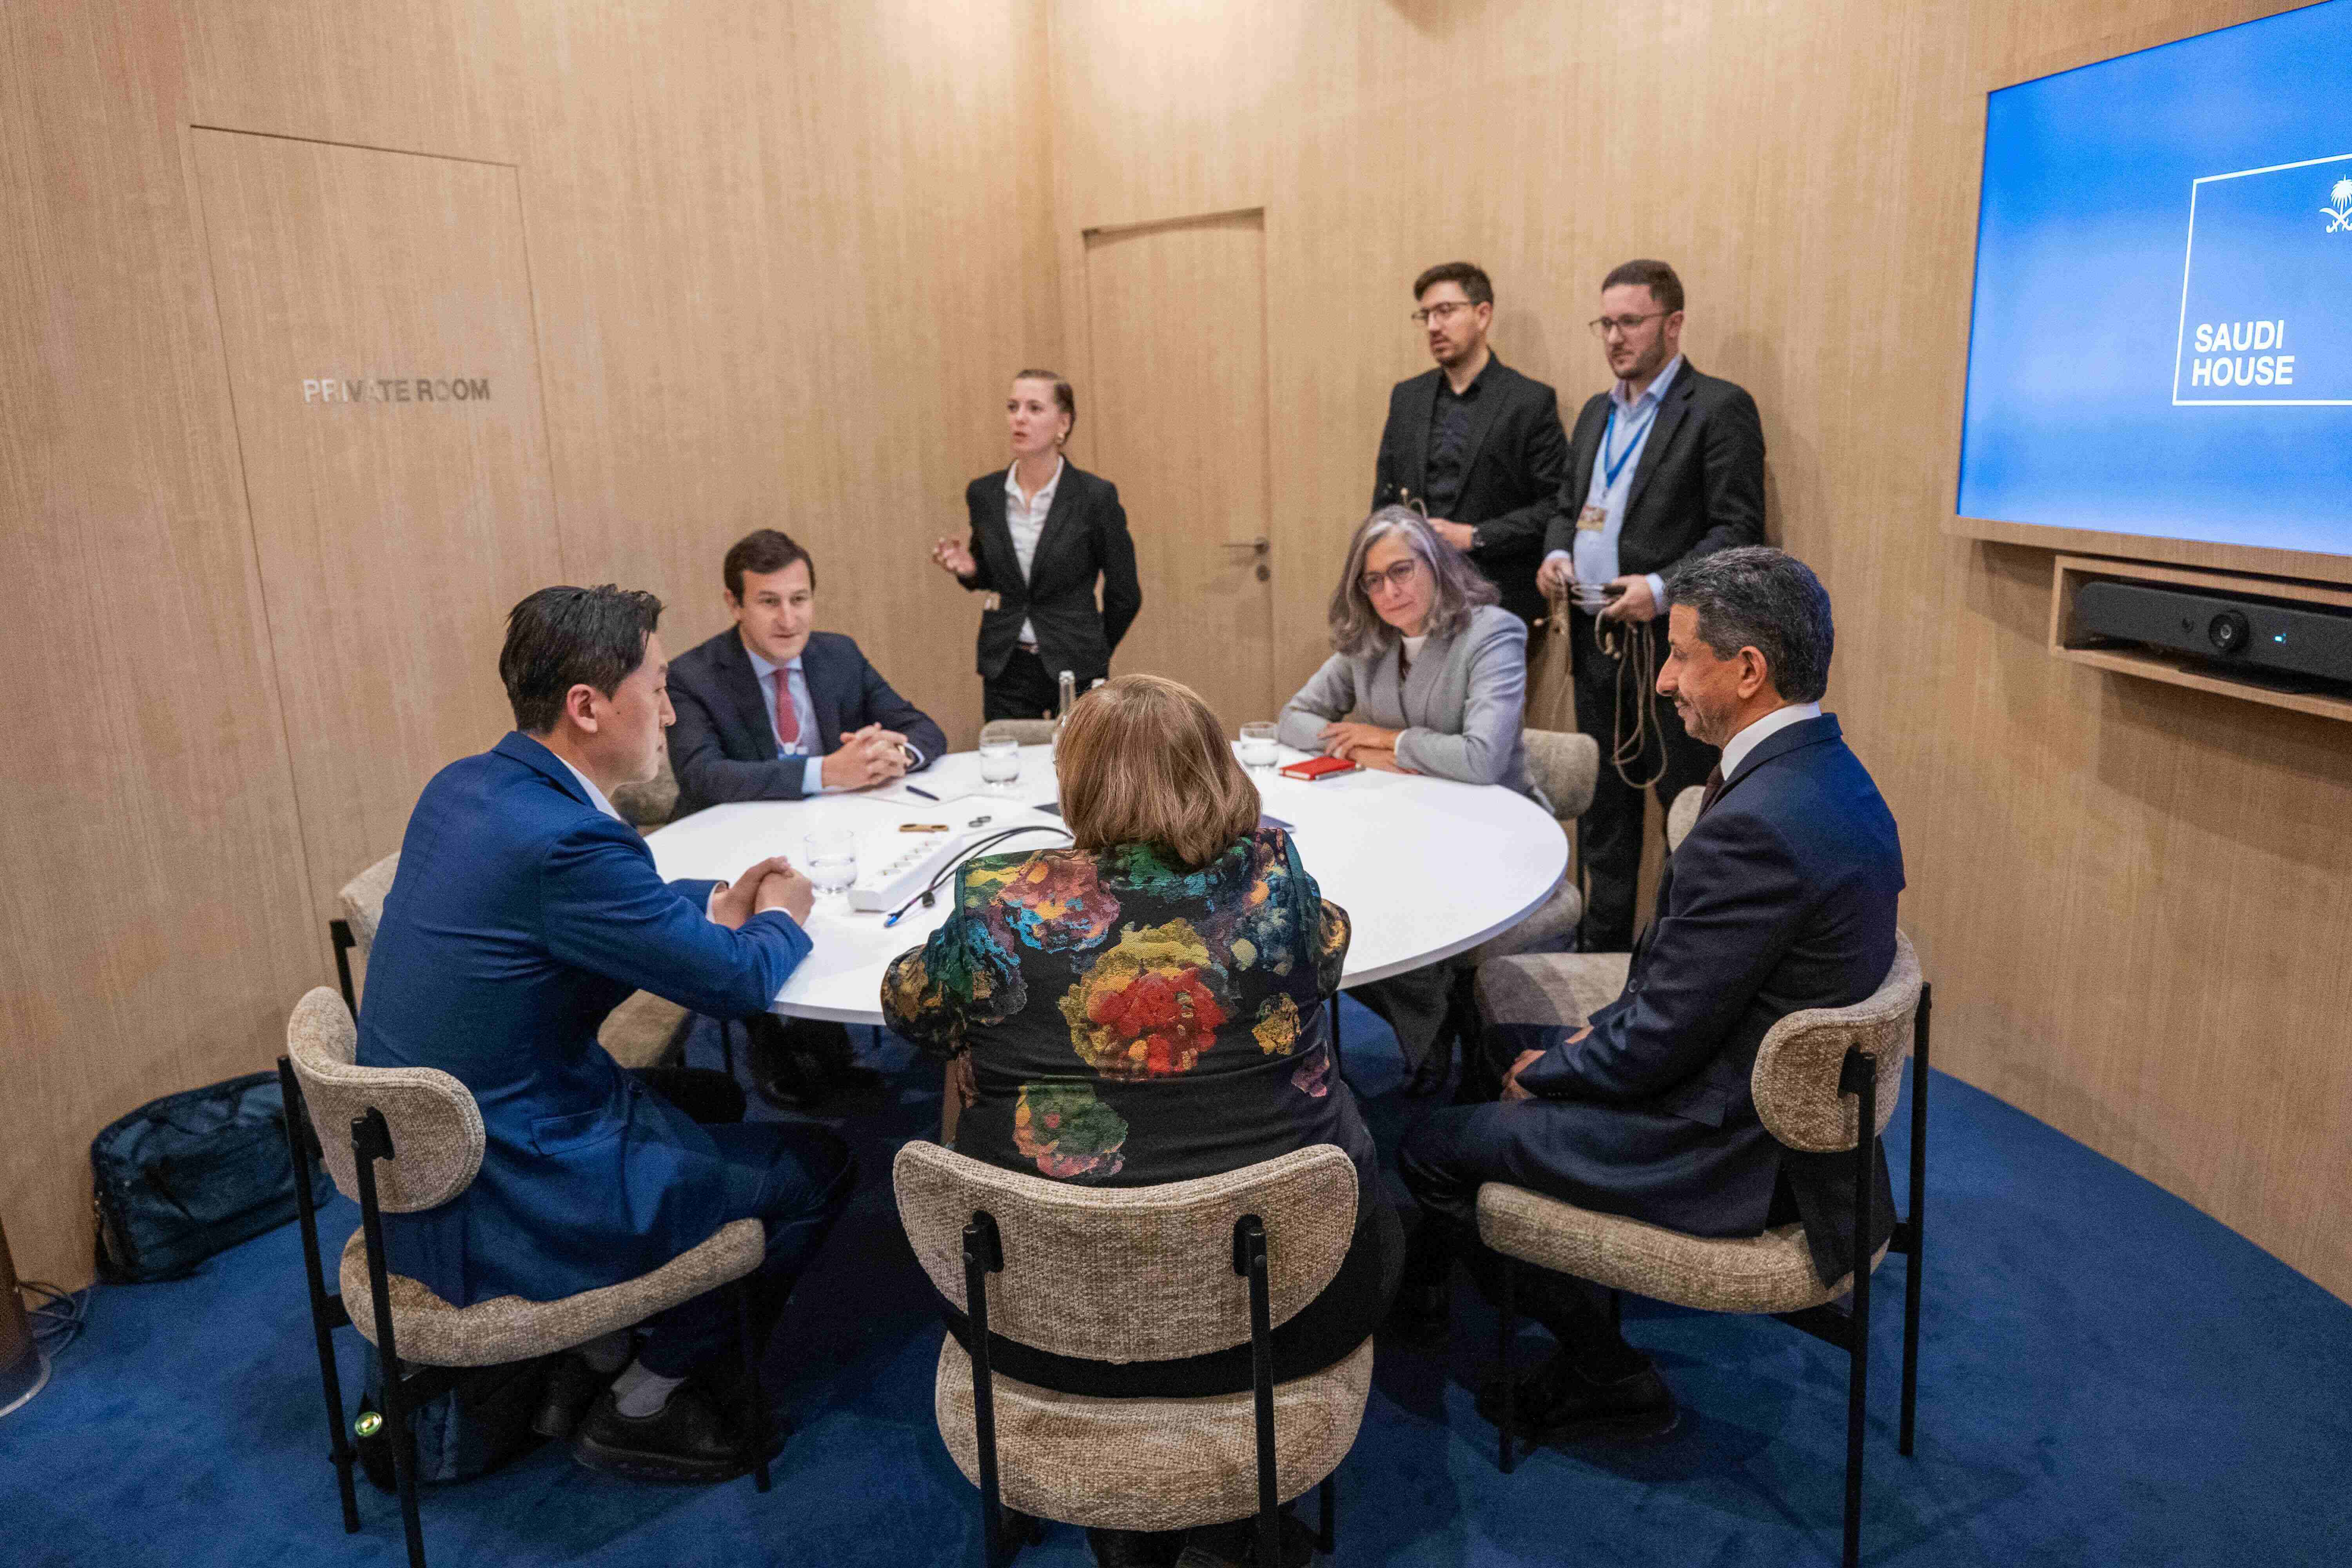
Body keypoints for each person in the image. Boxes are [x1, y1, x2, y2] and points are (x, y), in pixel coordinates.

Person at [884, 674, 1398, 1568]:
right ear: (1219, 772)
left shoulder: (1001, 901)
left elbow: (909, 1008)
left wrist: (980, 1028)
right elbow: (1330, 954)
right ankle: (1221, 1523)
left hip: (1039, 1317)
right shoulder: (1275, 877)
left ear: (1076, 782)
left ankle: (1138, 1524)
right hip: (1286, 1303)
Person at [1394, 547, 1903, 1447]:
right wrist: (1573, 1048)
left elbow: (1656, 1043)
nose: (1664, 680)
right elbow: (1690, 996)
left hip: (1722, 1146)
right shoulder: (1833, 777)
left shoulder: (1759, 825)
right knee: (1493, 1031)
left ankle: (1607, 1370)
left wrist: (1551, 1071)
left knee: (1426, 1144)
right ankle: (1477, 1260)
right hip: (1753, 1095)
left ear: (1748, 670)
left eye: (1679, 655)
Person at [357, 585, 857, 1484]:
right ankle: (646, 1395)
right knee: (818, 1167)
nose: (669, 711)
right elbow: (738, 984)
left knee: (710, 1094)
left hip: (420, 1165)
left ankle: (605, 1345)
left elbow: (589, 912)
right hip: (508, 1186)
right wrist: (783, 914)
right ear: (587, 706)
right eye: (657, 687)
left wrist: (714, 901)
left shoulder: (467, 786)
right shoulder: (571, 843)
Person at [1534, 259, 1766, 952]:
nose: (1614, 337)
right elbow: (1567, 506)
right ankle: (1600, 955)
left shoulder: (1718, 408)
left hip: (1674, 650)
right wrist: (1556, 551)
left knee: (1684, 811)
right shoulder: (1597, 411)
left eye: (1630, 322)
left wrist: (1661, 589)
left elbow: (1738, 530)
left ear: (1673, 324)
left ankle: (1674, 963)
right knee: (1604, 810)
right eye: (1605, 323)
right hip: (1596, 639)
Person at [1277, 505, 1532, 1093]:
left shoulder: (1492, 633)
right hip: (1401, 821)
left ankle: (1436, 1025)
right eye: (1374, 580)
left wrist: (1385, 739)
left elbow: (1482, 759)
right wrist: (1361, 750)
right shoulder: (1370, 641)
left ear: (1436, 565)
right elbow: (1293, 718)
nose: (1390, 592)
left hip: (1490, 829)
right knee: (1328, 897)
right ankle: (1434, 1020)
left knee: (1382, 900)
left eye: (1402, 571)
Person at [667, 528, 947, 818]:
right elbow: (702, 777)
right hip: (733, 831)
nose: (788, 621)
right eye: (769, 602)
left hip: (834, 823)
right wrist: (825, 773)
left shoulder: (840, 655)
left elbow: (922, 729)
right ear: (735, 605)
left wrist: (894, 757)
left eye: (799, 599)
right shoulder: (691, 677)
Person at [930, 369, 1142, 720]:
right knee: (1008, 751)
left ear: (1064, 423)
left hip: (1077, 664)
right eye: (1013, 407)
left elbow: (1125, 592)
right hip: (1007, 662)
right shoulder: (985, 493)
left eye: (1034, 408)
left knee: (1081, 755)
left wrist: (1094, 648)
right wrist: (970, 570)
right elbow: (1000, 578)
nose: (1020, 418)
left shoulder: (1094, 497)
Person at [1372, 261, 1569, 628]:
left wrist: (1475, 537)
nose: (1433, 326)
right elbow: (1384, 499)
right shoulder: (1407, 398)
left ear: (1483, 315)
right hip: (1416, 598)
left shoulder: (1528, 401)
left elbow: (1556, 505)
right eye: (1426, 315)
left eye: (1446, 311)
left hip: (1497, 596)